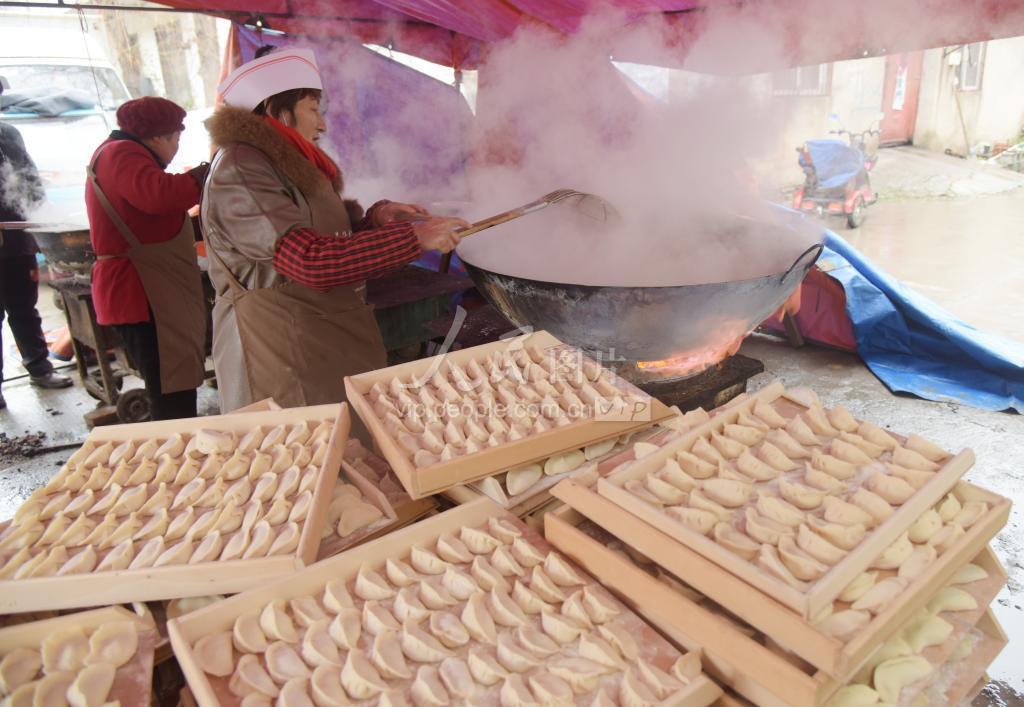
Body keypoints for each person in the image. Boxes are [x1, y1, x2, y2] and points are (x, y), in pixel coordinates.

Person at [201, 48, 468, 412]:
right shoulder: (241, 168)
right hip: (280, 356)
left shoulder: (284, 162)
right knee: (307, 446)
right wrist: (415, 238)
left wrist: (376, 221)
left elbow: (321, 238)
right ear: (275, 108)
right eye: (313, 109)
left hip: (318, 339)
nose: (323, 125)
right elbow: (311, 261)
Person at [85, 96, 209, 420]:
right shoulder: (122, 153)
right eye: (176, 138)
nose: (177, 148)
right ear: (157, 136)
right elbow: (159, 195)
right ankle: (175, 447)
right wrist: (203, 177)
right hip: (140, 291)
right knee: (170, 390)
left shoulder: (115, 152)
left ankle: (175, 441)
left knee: (171, 384)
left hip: (142, 289)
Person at [1, 81, 72, 410]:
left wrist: (44, 225)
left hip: (17, 241)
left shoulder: (8, 133)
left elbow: (29, 181)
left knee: (24, 310)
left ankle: (40, 369)